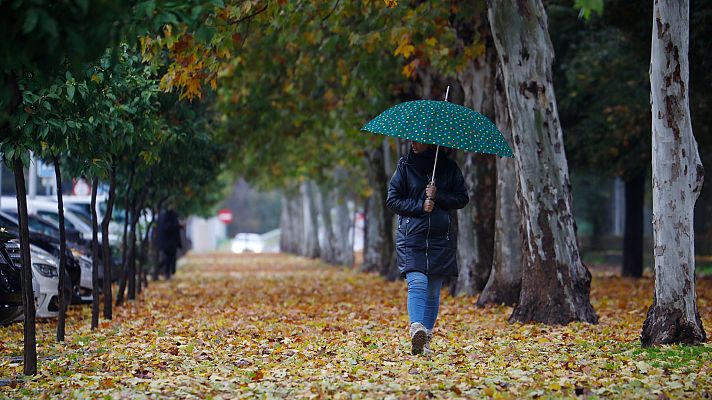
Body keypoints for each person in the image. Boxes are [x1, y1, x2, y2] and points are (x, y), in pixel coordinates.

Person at [386, 141, 469, 355]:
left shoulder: (449, 168)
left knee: (433, 292)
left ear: (431, 142)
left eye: (419, 140)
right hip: (411, 237)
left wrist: (438, 194)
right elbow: (393, 200)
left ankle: (425, 339)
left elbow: (462, 198)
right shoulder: (405, 166)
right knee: (418, 282)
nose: (413, 143)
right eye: (412, 139)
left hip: (439, 239)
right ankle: (416, 328)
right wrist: (420, 205)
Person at [156, 206, 182, 279]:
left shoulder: (172, 215)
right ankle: (165, 271)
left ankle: (167, 271)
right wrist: (178, 226)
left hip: (171, 241)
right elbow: (167, 227)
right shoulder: (166, 215)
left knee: (170, 257)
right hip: (168, 241)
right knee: (168, 257)